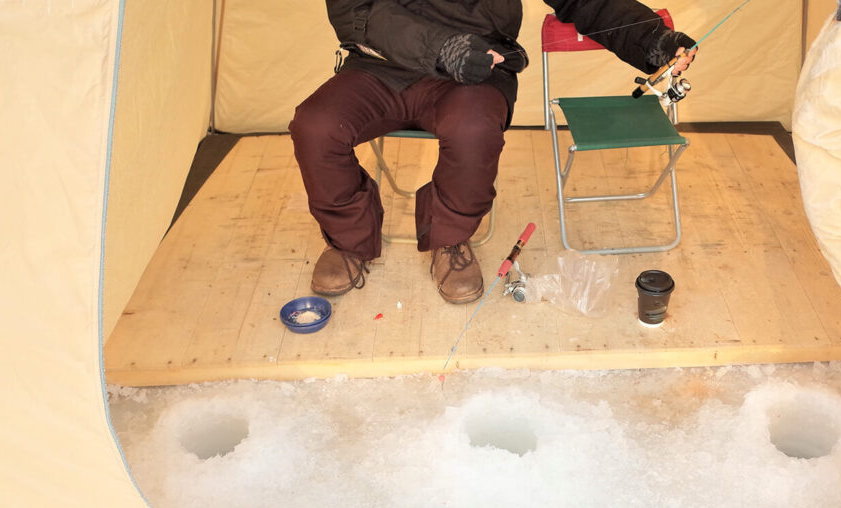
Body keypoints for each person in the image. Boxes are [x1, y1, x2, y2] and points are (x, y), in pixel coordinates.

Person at [289, 0, 696, 304]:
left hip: (474, 70)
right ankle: (347, 240)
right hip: (379, 66)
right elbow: (352, 11)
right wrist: (440, 48)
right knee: (315, 126)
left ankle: (451, 240)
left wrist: (653, 41)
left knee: (473, 130)